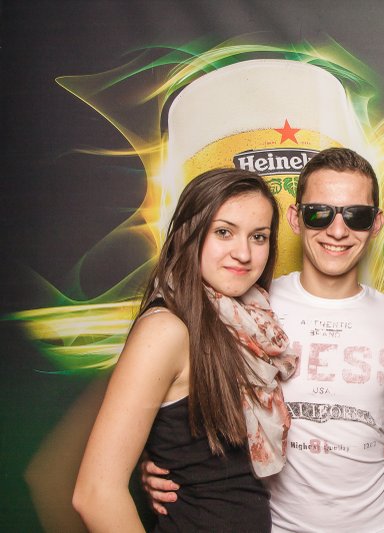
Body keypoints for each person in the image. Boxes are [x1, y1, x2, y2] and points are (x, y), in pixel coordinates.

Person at [144, 147, 384, 532]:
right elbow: (179, 398)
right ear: (296, 219)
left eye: (356, 216)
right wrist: (163, 464)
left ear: (376, 223)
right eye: (319, 213)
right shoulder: (246, 308)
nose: (337, 231)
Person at [72, 168, 296, 532]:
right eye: (224, 232)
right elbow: (96, 493)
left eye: (259, 237)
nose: (244, 253)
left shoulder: (246, 324)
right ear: (188, 234)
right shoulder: (167, 330)